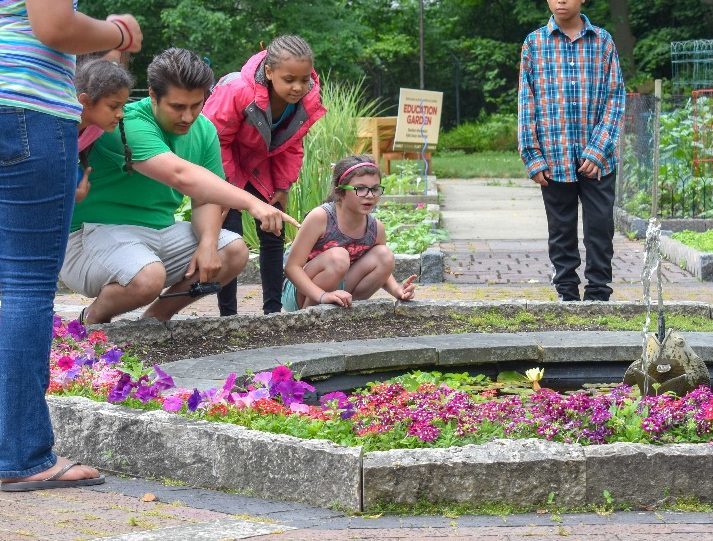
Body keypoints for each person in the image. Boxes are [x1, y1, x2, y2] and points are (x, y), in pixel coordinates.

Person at [0, 1, 142, 491]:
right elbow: (55, 26)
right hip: (25, 110)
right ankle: (21, 455)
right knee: (24, 288)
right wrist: (118, 33)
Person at [60, 48, 299, 325]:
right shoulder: (126, 124)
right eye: (177, 107)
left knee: (232, 251)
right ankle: (90, 321)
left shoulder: (205, 129)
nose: (188, 117)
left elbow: (206, 197)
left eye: (196, 105)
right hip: (91, 237)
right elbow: (180, 175)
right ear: (152, 95)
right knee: (149, 276)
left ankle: (154, 322)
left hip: (159, 233)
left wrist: (208, 243)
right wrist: (253, 202)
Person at [203, 35, 326, 315]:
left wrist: (282, 186)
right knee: (229, 235)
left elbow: (292, 144)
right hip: (224, 163)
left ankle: (273, 311)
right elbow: (213, 139)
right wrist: (227, 190)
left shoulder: (306, 100)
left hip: (263, 166)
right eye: (289, 79)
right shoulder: (237, 90)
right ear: (269, 73)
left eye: (304, 79)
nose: (298, 87)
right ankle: (228, 315)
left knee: (274, 231)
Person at [518, 0, 625, 302]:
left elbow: (615, 98)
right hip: (554, 156)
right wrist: (532, 154)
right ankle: (566, 292)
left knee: (600, 227)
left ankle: (598, 293)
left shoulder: (603, 42)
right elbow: (526, 102)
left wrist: (598, 150)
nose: (560, 1)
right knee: (561, 230)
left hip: (597, 161)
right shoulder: (534, 44)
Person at [282, 155, 417, 311]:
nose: (369, 195)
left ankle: (343, 313)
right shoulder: (321, 217)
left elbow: (383, 270)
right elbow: (292, 268)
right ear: (340, 192)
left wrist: (397, 290)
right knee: (338, 258)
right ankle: (309, 320)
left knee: (384, 255)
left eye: (375, 189)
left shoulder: (375, 228)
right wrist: (322, 295)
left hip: (341, 288)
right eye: (360, 189)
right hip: (301, 291)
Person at [75, 57, 135, 202]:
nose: (121, 114)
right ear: (85, 101)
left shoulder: (95, 129)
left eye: (123, 106)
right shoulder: (58, 127)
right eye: (114, 106)